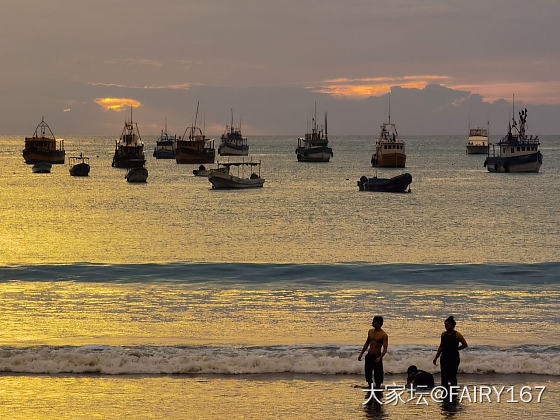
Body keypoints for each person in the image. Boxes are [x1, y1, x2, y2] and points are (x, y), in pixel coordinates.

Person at [433, 316, 468, 387]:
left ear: (452, 325)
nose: (446, 327)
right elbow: (441, 346)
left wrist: (456, 349)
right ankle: (444, 392)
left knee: (452, 376)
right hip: (444, 357)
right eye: (445, 325)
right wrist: (436, 358)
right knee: (444, 376)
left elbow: (465, 344)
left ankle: (454, 393)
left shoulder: (457, 335)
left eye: (447, 325)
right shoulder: (443, 334)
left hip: (454, 358)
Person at [358, 315, 388, 389]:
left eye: (374, 322)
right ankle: (370, 386)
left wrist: (380, 357)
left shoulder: (383, 335)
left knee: (378, 374)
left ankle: (378, 388)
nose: (372, 323)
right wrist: (361, 354)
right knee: (368, 373)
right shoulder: (370, 331)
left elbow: (385, 349)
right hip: (369, 355)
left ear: (379, 323)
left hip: (377, 356)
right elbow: (367, 343)